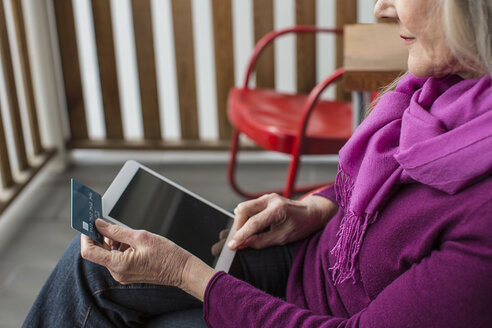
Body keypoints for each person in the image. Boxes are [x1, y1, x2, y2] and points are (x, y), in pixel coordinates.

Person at [24, 0, 492, 327]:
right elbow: (392, 193)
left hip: (324, 314)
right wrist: (321, 208)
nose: (380, 10)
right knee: (94, 263)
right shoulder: (444, 91)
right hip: (313, 262)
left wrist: (184, 275)